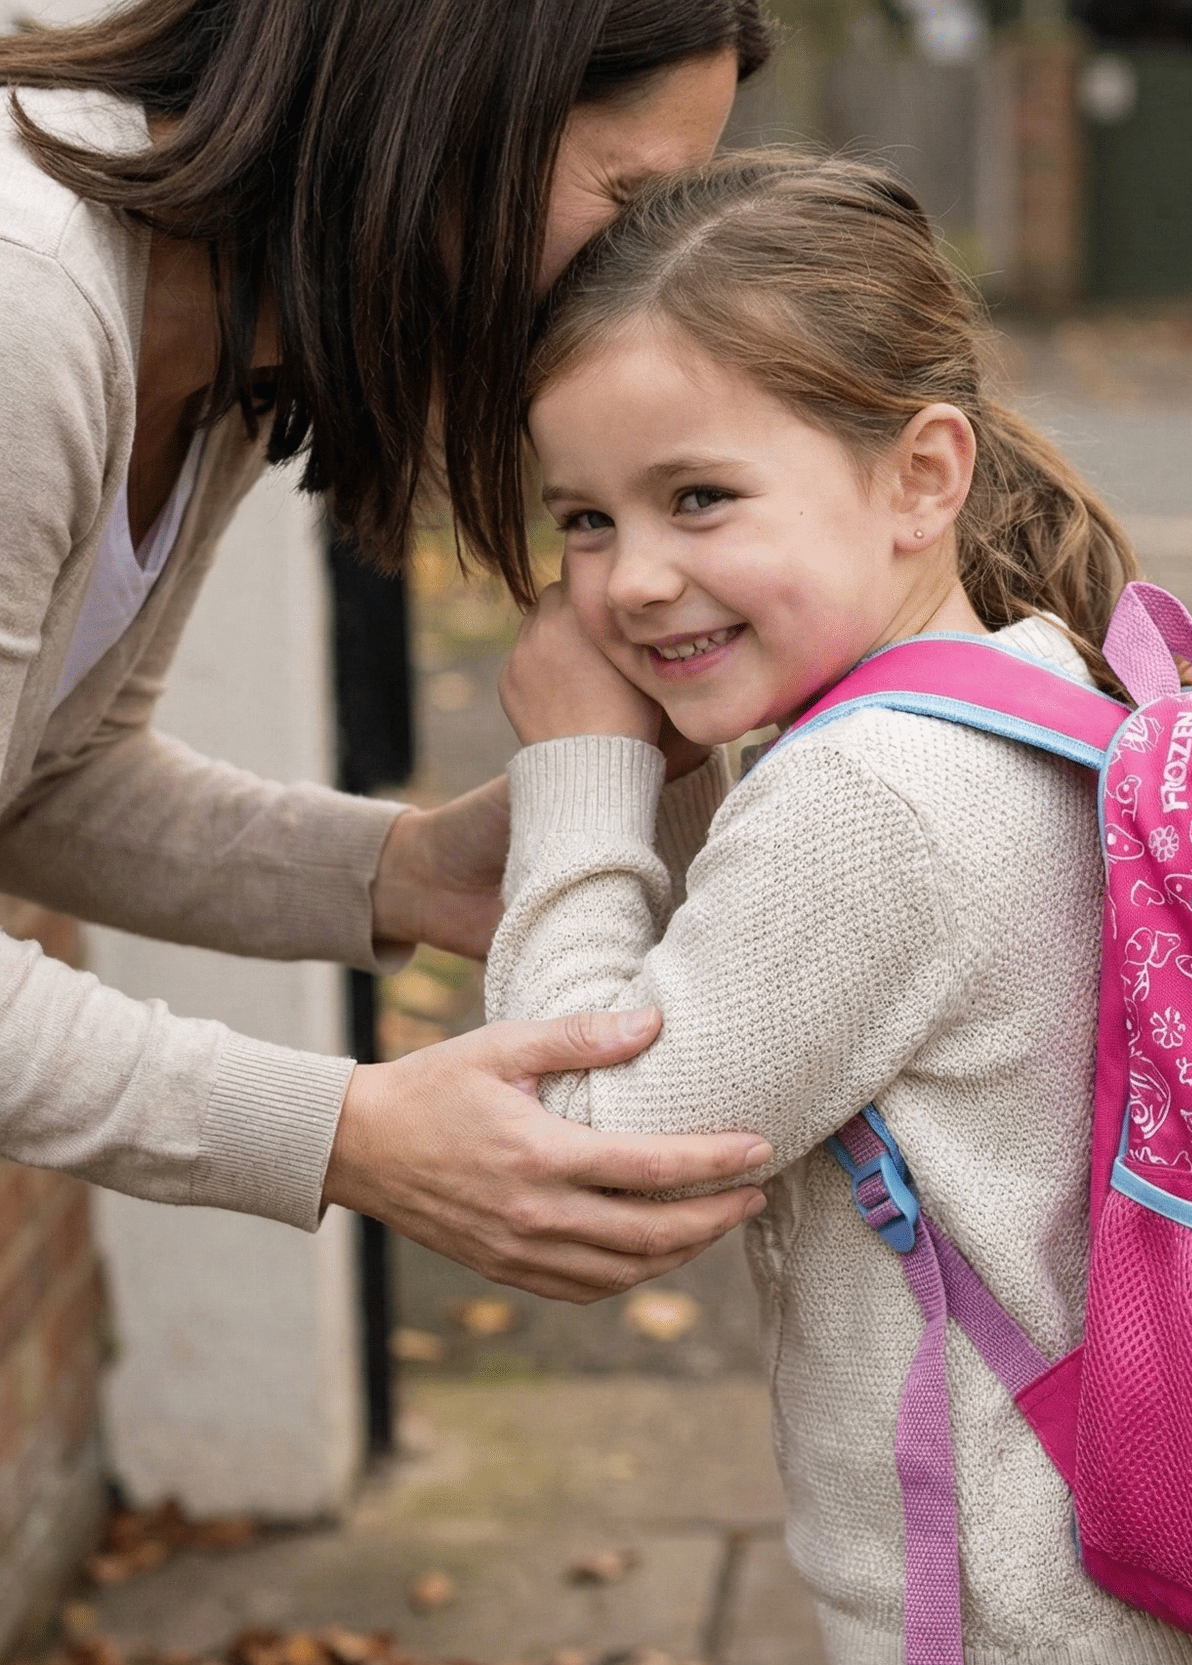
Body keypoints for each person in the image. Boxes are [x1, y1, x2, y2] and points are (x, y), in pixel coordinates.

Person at [484, 151, 1192, 1665]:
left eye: (699, 497)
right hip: (1188, 1617)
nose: (628, 585)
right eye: (581, 521)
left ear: (921, 477)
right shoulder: (1063, 680)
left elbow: (579, 1149)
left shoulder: (867, 805)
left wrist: (576, 777)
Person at [0, 0, 778, 1300]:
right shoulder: (30, 309)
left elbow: (50, 776)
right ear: (450, 97)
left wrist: (412, 873)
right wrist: (343, 1132)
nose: (631, 275)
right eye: (627, 197)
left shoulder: (222, 333)